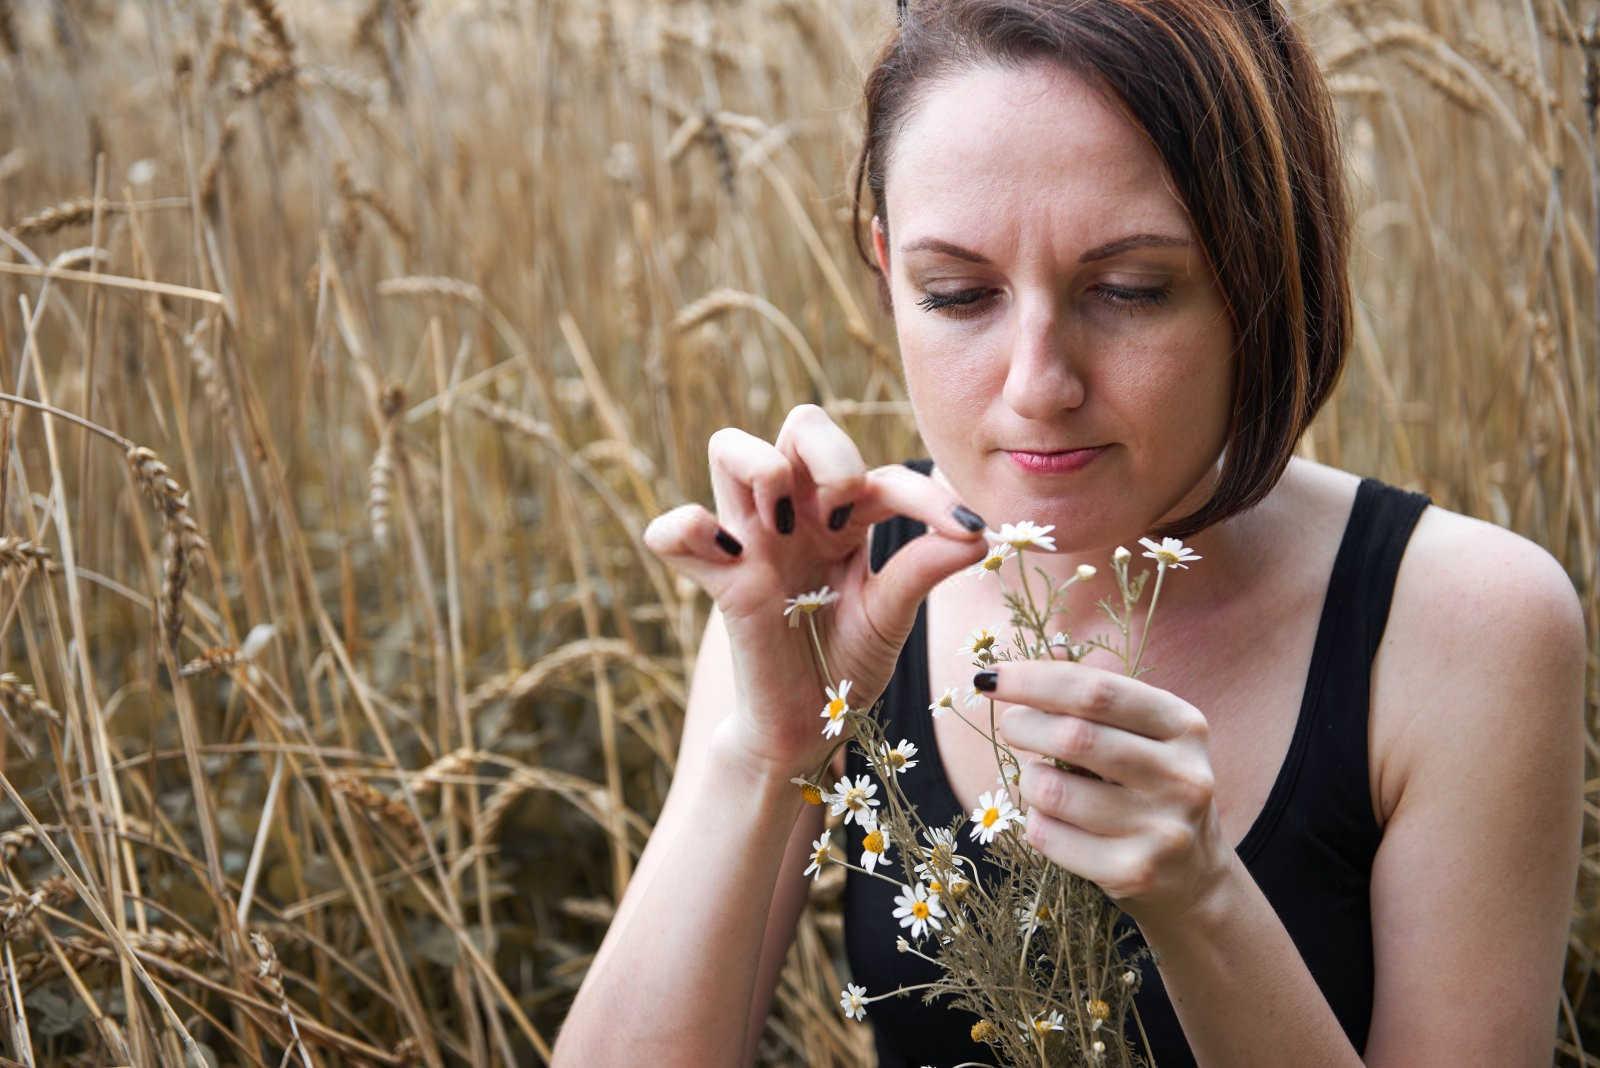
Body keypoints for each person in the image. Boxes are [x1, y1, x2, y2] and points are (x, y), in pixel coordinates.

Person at [554, 1, 1587, 1065]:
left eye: (1131, 290)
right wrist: (766, 754)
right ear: (883, 269)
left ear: (1262, 271)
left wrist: (1202, 903)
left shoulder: (1463, 624)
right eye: (957, 294)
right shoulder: (824, 580)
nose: (1038, 385)